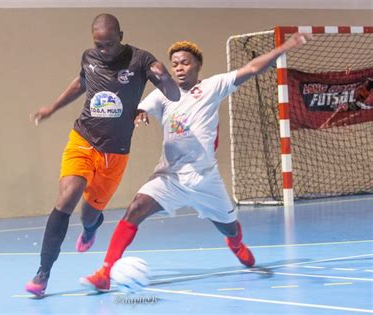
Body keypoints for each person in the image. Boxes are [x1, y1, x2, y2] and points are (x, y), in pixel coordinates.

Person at [80, 32, 312, 291]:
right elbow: (140, 107)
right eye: (175, 63)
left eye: (185, 63)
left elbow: (253, 67)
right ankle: (106, 271)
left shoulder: (213, 86)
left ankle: (236, 245)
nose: (179, 68)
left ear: (197, 65)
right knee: (135, 209)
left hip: (204, 179)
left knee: (230, 229)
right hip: (170, 177)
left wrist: (286, 46)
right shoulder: (163, 94)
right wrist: (140, 113)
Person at [25, 13, 180, 297]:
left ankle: (92, 225)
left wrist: (165, 79)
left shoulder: (141, 60)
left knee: (88, 214)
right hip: (83, 140)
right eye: (99, 45)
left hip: (116, 153)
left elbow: (174, 94)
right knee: (67, 196)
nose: (104, 50)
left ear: (121, 36)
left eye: (109, 44)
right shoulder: (89, 57)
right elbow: (81, 82)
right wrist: (52, 107)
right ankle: (43, 272)